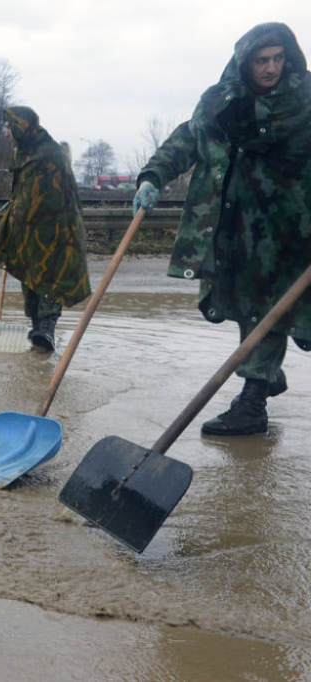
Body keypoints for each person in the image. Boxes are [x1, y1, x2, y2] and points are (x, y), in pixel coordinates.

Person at [134, 22, 311, 437]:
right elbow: (188, 139)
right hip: (244, 231)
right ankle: (254, 395)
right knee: (257, 308)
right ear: (244, 63)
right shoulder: (223, 104)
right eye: (261, 61)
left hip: (298, 232)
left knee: (282, 309)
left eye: (278, 59)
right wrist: (152, 177)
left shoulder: (307, 102)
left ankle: (258, 386)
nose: (270, 69)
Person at [0, 106, 91, 351]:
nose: (6, 133)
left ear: (20, 126)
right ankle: (38, 331)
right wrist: (16, 204)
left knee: (49, 275)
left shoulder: (49, 154)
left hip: (55, 227)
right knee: (30, 274)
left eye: (8, 127)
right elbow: (25, 187)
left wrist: (24, 207)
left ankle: (46, 329)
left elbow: (57, 195)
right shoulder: (24, 151)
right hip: (28, 227)